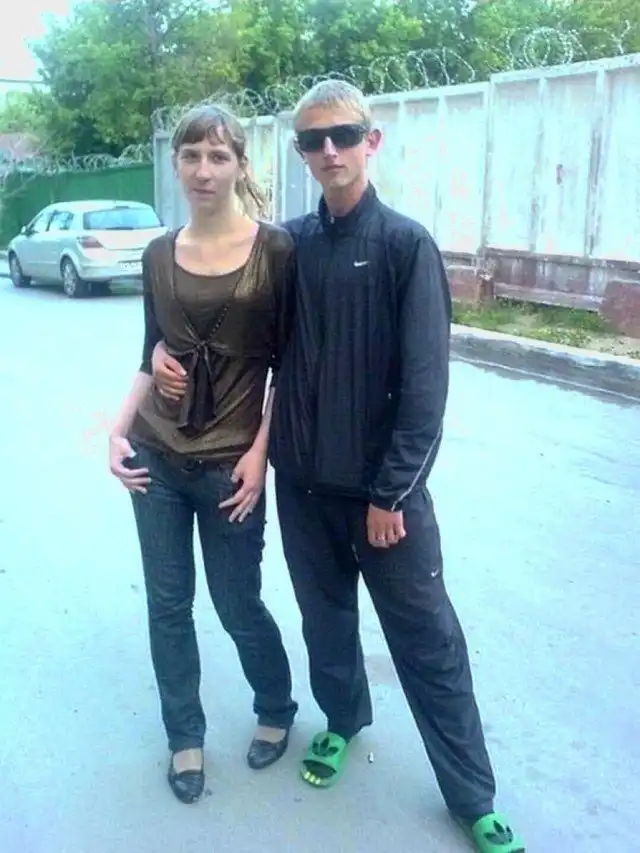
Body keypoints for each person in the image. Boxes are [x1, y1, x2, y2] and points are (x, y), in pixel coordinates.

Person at [152, 82, 525, 852]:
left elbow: (425, 387)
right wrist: (161, 351)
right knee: (326, 622)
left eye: (344, 136)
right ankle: (343, 719)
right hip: (303, 486)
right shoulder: (289, 248)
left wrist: (393, 491)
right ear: (300, 153)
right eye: (313, 141)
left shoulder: (405, 247)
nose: (329, 151)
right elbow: (238, 338)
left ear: (370, 141)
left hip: (385, 500)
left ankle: (472, 795)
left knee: (427, 641)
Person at [108, 103, 298, 806]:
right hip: (155, 457)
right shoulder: (159, 254)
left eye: (218, 156)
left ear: (240, 165)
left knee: (237, 600)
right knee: (168, 606)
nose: (203, 170)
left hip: (230, 466)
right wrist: (116, 430)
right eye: (191, 156)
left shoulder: (276, 251)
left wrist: (260, 454)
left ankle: (275, 704)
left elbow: (289, 366)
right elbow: (148, 353)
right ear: (176, 164)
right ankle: (184, 735)